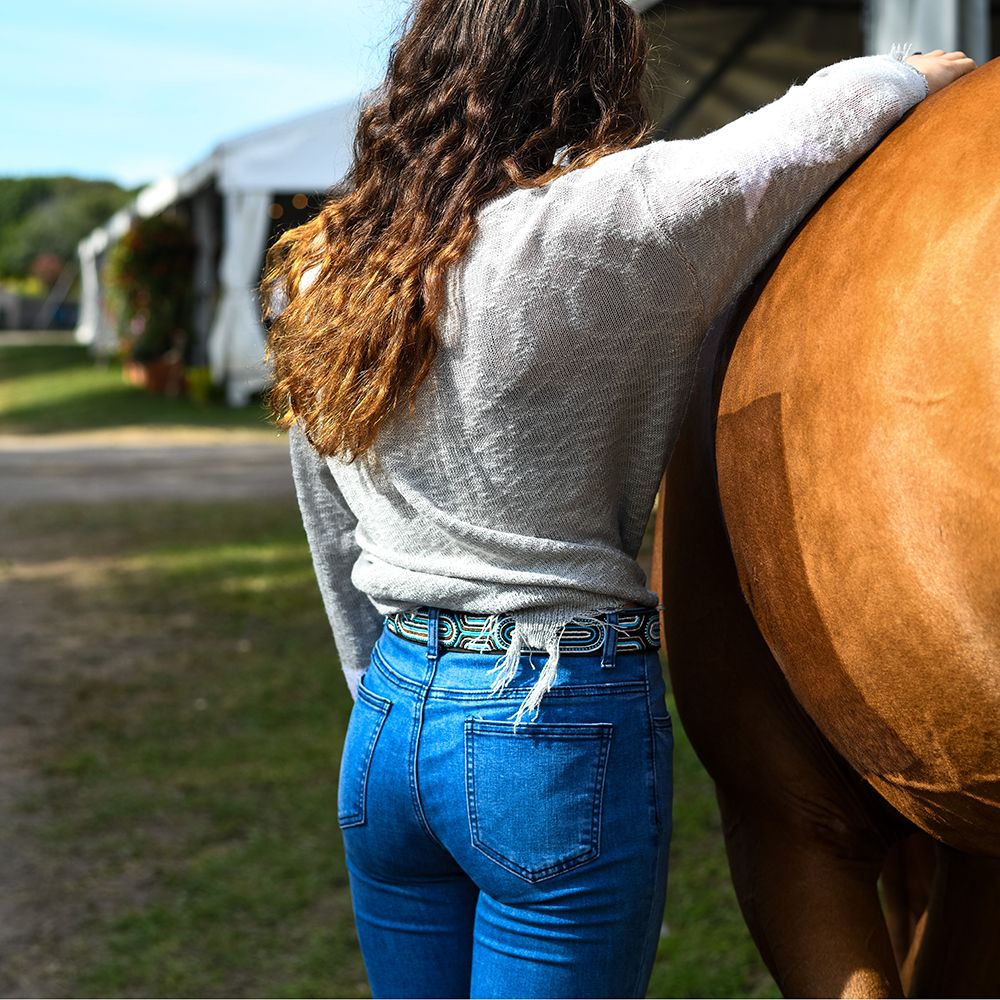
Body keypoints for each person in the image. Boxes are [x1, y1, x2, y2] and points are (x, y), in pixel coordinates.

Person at [262, 1, 975, 995]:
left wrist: (387, 691)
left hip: (388, 722)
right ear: (590, 73)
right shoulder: (601, 222)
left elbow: (327, 513)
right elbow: (796, 134)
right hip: (549, 722)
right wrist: (915, 69)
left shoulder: (322, 267)